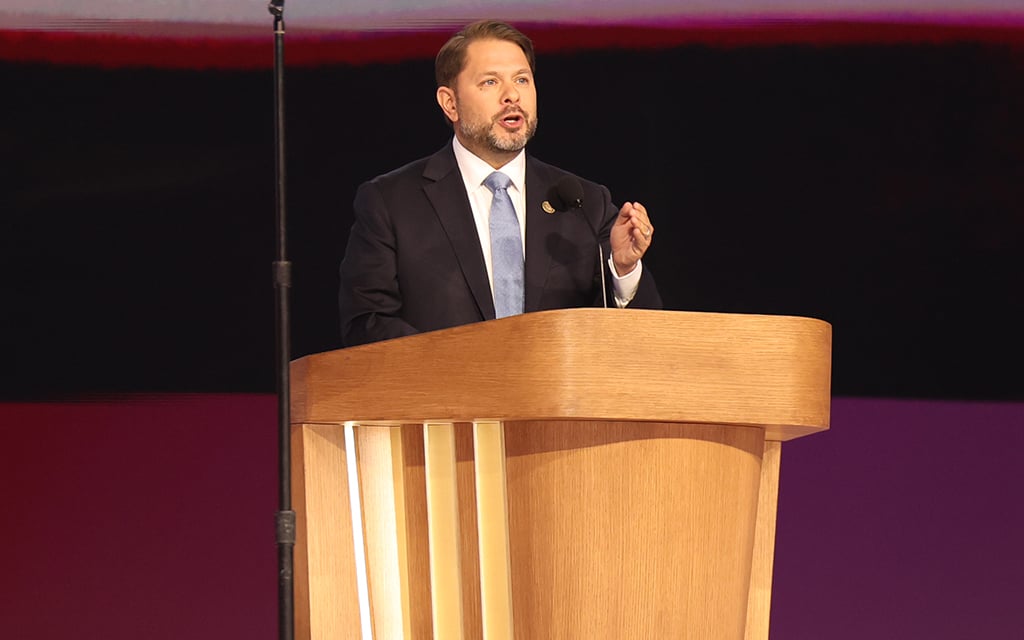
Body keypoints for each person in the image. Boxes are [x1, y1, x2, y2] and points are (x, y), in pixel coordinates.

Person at [339, 19, 662, 346]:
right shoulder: (391, 202)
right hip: (443, 393)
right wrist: (467, 367)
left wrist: (622, 271)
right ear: (450, 103)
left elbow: (634, 340)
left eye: (522, 79)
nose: (512, 96)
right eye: (490, 82)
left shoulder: (583, 203)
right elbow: (368, 324)